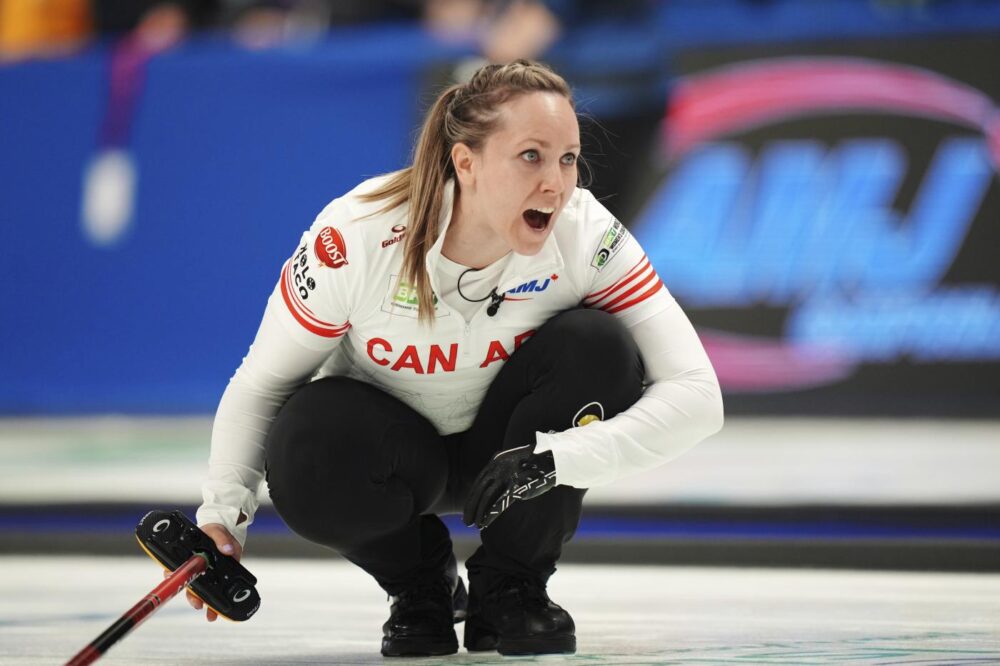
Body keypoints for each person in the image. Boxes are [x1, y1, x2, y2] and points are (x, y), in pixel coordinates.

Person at [191, 59, 723, 657]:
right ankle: (420, 584)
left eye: (568, 158)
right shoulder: (358, 235)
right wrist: (221, 518)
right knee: (302, 438)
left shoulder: (585, 234)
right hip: (395, 459)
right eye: (531, 156)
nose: (556, 183)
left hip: (515, 457)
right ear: (465, 162)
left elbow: (699, 396)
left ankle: (511, 585)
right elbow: (262, 384)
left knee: (597, 347)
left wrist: (557, 460)